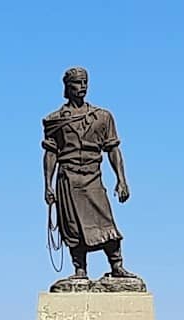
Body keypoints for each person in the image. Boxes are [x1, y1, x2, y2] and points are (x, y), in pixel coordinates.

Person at [43, 67, 136, 282]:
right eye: (77, 82)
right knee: (72, 225)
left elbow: (113, 148)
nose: (82, 86)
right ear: (68, 87)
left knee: (105, 221)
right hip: (68, 178)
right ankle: (80, 269)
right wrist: (47, 185)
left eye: (85, 82)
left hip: (93, 177)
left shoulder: (102, 117)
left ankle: (117, 265)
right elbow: (50, 153)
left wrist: (121, 180)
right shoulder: (55, 120)